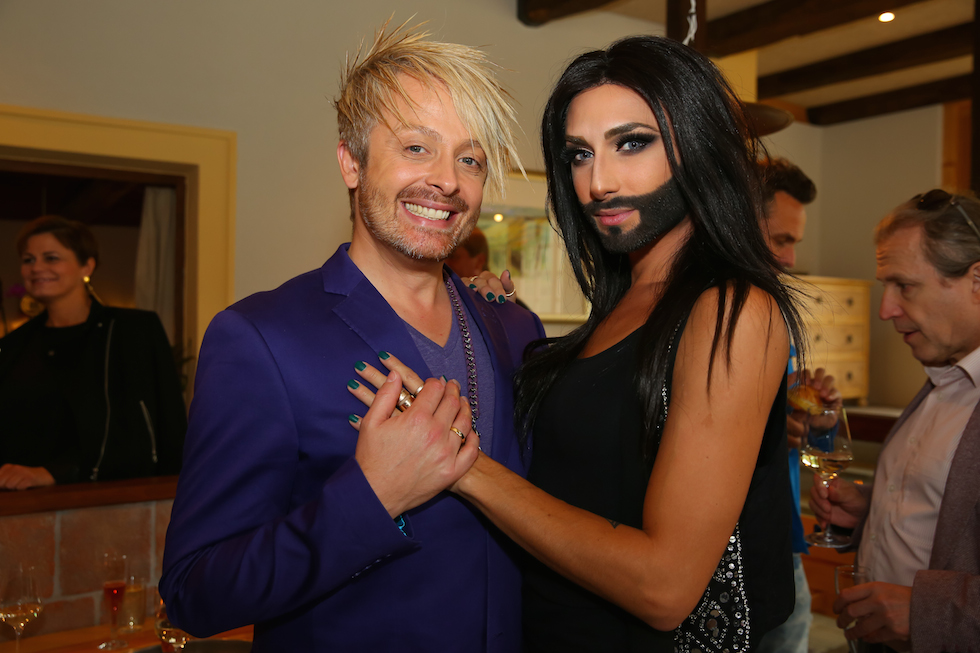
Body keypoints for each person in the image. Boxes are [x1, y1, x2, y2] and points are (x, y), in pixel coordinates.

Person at [350, 35, 805, 651]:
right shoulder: (625, 303)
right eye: (580, 155)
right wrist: (485, 314)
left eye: (632, 142)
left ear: (697, 146)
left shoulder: (732, 308)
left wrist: (461, 462)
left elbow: (665, 588)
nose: (598, 182)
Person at [159, 22, 544, 652]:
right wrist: (371, 497)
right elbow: (195, 592)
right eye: (417, 148)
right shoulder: (259, 339)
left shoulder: (514, 325)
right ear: (352, 163)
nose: (447, 181)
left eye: (469, 159)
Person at [811, 189, 980, 652]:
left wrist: (927, 612)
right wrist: (870, 513)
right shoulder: (942, 382)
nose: (886, 309)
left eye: (904, 286)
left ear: (976, 280)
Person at [0, 216, 186, 490]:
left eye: (51, 258)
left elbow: (164, 422)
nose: (36, 268)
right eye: (28, 260)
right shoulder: (14, 345)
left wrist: (56, 473)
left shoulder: (133, 331)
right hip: (23, 499)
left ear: (87, 265)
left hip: (116, 498)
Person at [756, 157, 839, 653]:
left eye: (795, 242)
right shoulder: (700, 314)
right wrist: (768, 430)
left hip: (782, 537)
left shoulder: (775, 315)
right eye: (780, 239)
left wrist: (821, 419)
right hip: (730, 547)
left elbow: (798, 436)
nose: (790, 259)